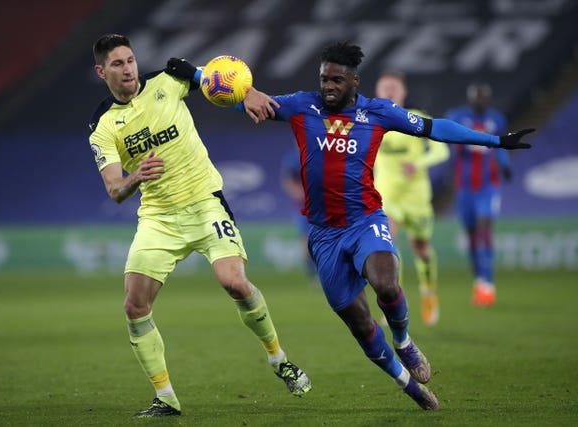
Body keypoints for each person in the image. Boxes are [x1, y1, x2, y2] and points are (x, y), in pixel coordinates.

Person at [164, 41, 533, 411]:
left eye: (337, 80)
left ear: (354, 80)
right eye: (324, 79)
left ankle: (404, 341)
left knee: (386, 284)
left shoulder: (379, 113)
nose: (328, 87)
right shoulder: (301, 106)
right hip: (323, 236)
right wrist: (197, 76)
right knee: (359, 322)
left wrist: (496, 141)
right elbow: (240, 91)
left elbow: (435, 128)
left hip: (365, 220)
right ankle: (409, 386)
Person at [88, 34, 311, 419]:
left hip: (205, 202)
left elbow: (221, 79)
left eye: (130, 60)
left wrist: (252, 93)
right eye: (117, 64)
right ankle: (166, 398)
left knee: (235, 283)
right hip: (158, 218)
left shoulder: (170, 79)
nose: (127, 69)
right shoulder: (103, 126)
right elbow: (114, 190)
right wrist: (135, 177)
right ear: (101, 71)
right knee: (134, 305)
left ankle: (280, 361)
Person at [374, 71, 450, 326]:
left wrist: (418, 163)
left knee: (421, 249)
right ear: (377, 92)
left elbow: (442, 150)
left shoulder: (417, 119)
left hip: (416, 198)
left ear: (403, 93)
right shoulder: (371, 121)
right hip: (386, 198)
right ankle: (393, 301)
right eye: (385, 87)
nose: (390, 92)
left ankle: (428, 293)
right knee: (387, 246)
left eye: (394, 87)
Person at [445, 82, 511, 307]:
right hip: (464, 187)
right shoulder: (458, 117)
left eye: (484, 97)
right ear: (470, 98)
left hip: (488, 186)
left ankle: (488, 282)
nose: (480, 100)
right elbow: (447, 141)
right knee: (472, 235)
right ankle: (479, 279)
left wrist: (505, 164)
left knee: (484, 229)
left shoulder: (497, 120)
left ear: (489, 99)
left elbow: (501, 145)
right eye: (477, 96)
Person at [280, 145, 317, 282]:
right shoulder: (293, 158)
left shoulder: (320, 152)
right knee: (306, 241)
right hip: (302, 205)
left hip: (321, 203)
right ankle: (313, 275)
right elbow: (288, 181)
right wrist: (299, 193)